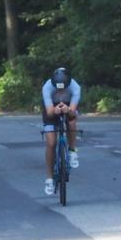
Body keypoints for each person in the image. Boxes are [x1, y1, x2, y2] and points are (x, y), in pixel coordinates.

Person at [42, 67, 80, 195]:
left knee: (72, 122)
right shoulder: (47, 87)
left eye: (63, 88)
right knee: (51, 143)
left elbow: (73, 111)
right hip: (51, 108)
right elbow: (49, 112)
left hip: (68, 106)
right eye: (58, 88)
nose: (61, 90)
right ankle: (49, 178)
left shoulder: (75, 87)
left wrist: (68, 110)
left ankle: (72, 151)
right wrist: (55, 110)